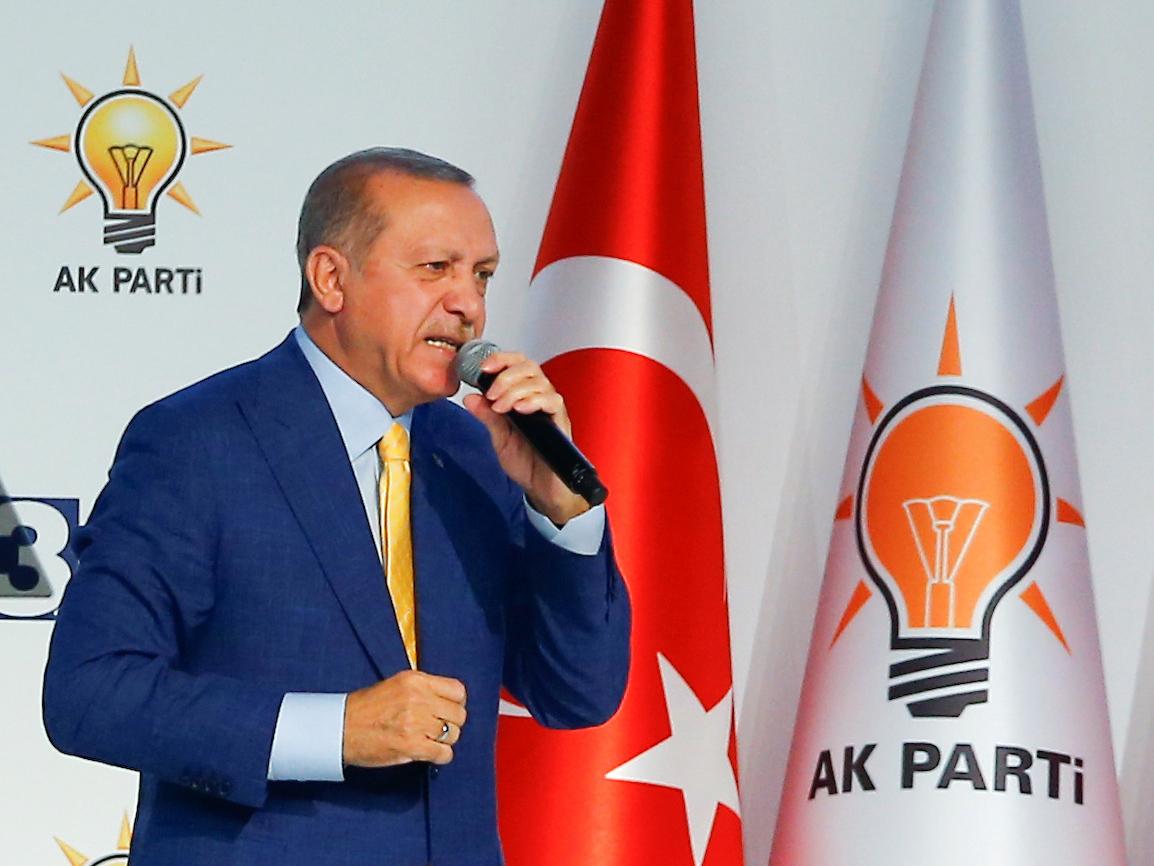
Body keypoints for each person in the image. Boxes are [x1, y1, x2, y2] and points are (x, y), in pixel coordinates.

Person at [42, 147, 631, 865]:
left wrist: (563, 515)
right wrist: (336, 731)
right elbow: (89, 693)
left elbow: (579, 694)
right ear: (331, 278)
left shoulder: (477, 451)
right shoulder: (197, 440)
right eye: (434, 268)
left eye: (481, 275)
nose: (468, 304)